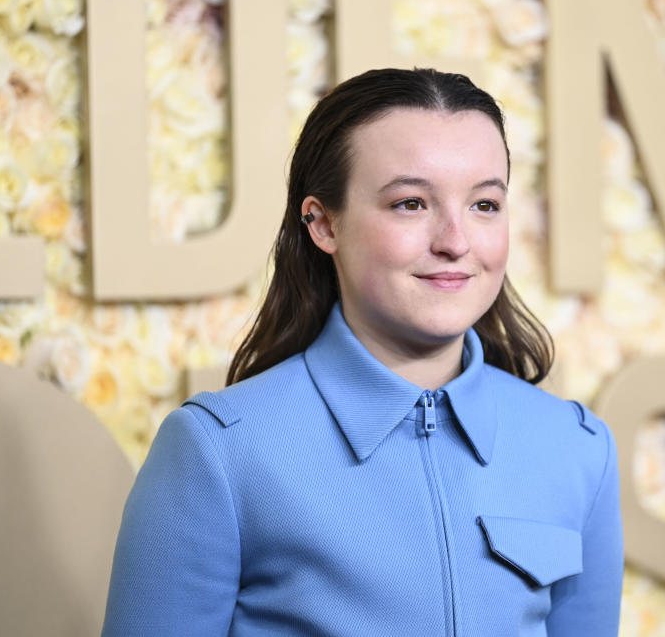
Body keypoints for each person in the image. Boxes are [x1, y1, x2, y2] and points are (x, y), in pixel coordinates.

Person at [101, 67, 623, 636]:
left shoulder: (577, 449)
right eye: (410, 204)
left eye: (484, 205)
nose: (455, 241)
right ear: (322, 224)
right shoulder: (217, 453)